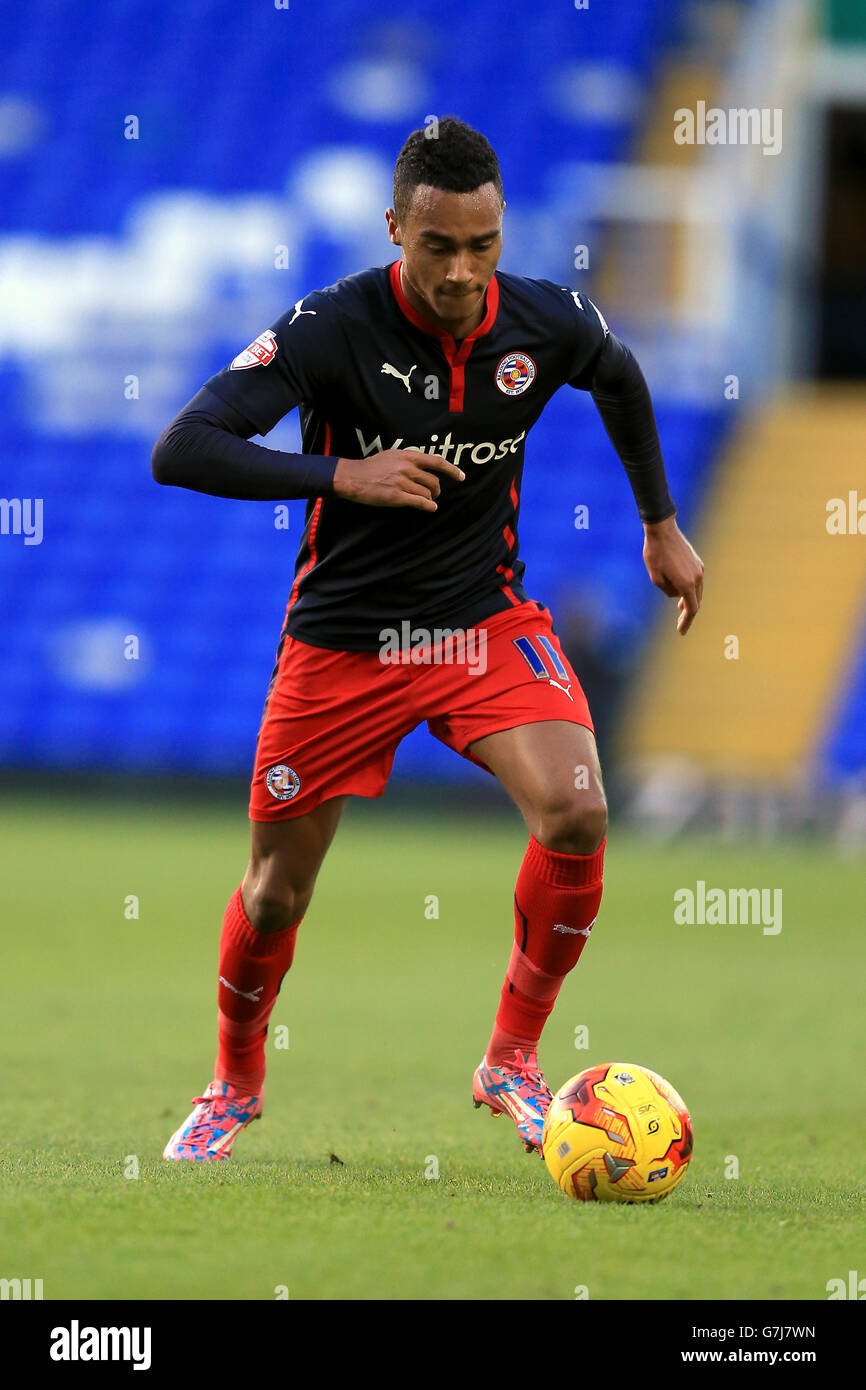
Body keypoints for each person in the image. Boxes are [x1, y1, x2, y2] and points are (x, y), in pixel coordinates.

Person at [152, 117, 703, 1162]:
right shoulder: (328, 328)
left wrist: (659, 522)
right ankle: (233, 1080)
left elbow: (619, 376)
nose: (461, 271)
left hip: (480, 622)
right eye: (437, 245)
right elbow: (180, 446)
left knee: (578, 810)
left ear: (503, 232)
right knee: (275, 889)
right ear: (394, 227)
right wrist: (341, 474)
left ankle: (511, 1058)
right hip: (342, 642)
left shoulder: (544, 321)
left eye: (482, 245)